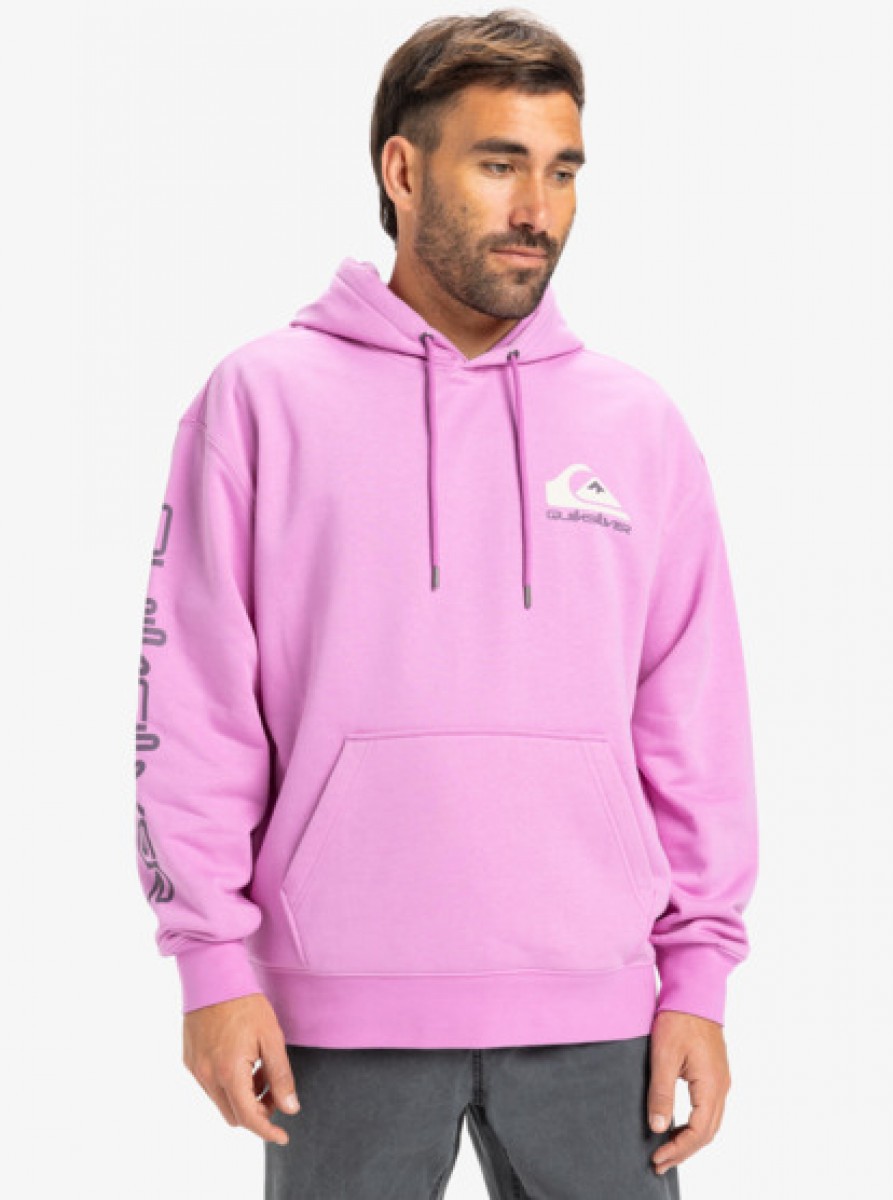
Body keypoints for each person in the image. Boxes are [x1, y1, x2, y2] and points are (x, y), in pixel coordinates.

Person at [133, 9, 759, 1197]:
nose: (537, 209)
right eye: (499, 164)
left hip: (602, 1014)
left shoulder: (637, 425)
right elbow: (196, 702)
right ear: (403, 170)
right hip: (331, 1011)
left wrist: (698, 978)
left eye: (562, 170)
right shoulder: (260, 402)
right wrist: (210, 961)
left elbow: (695, 724)